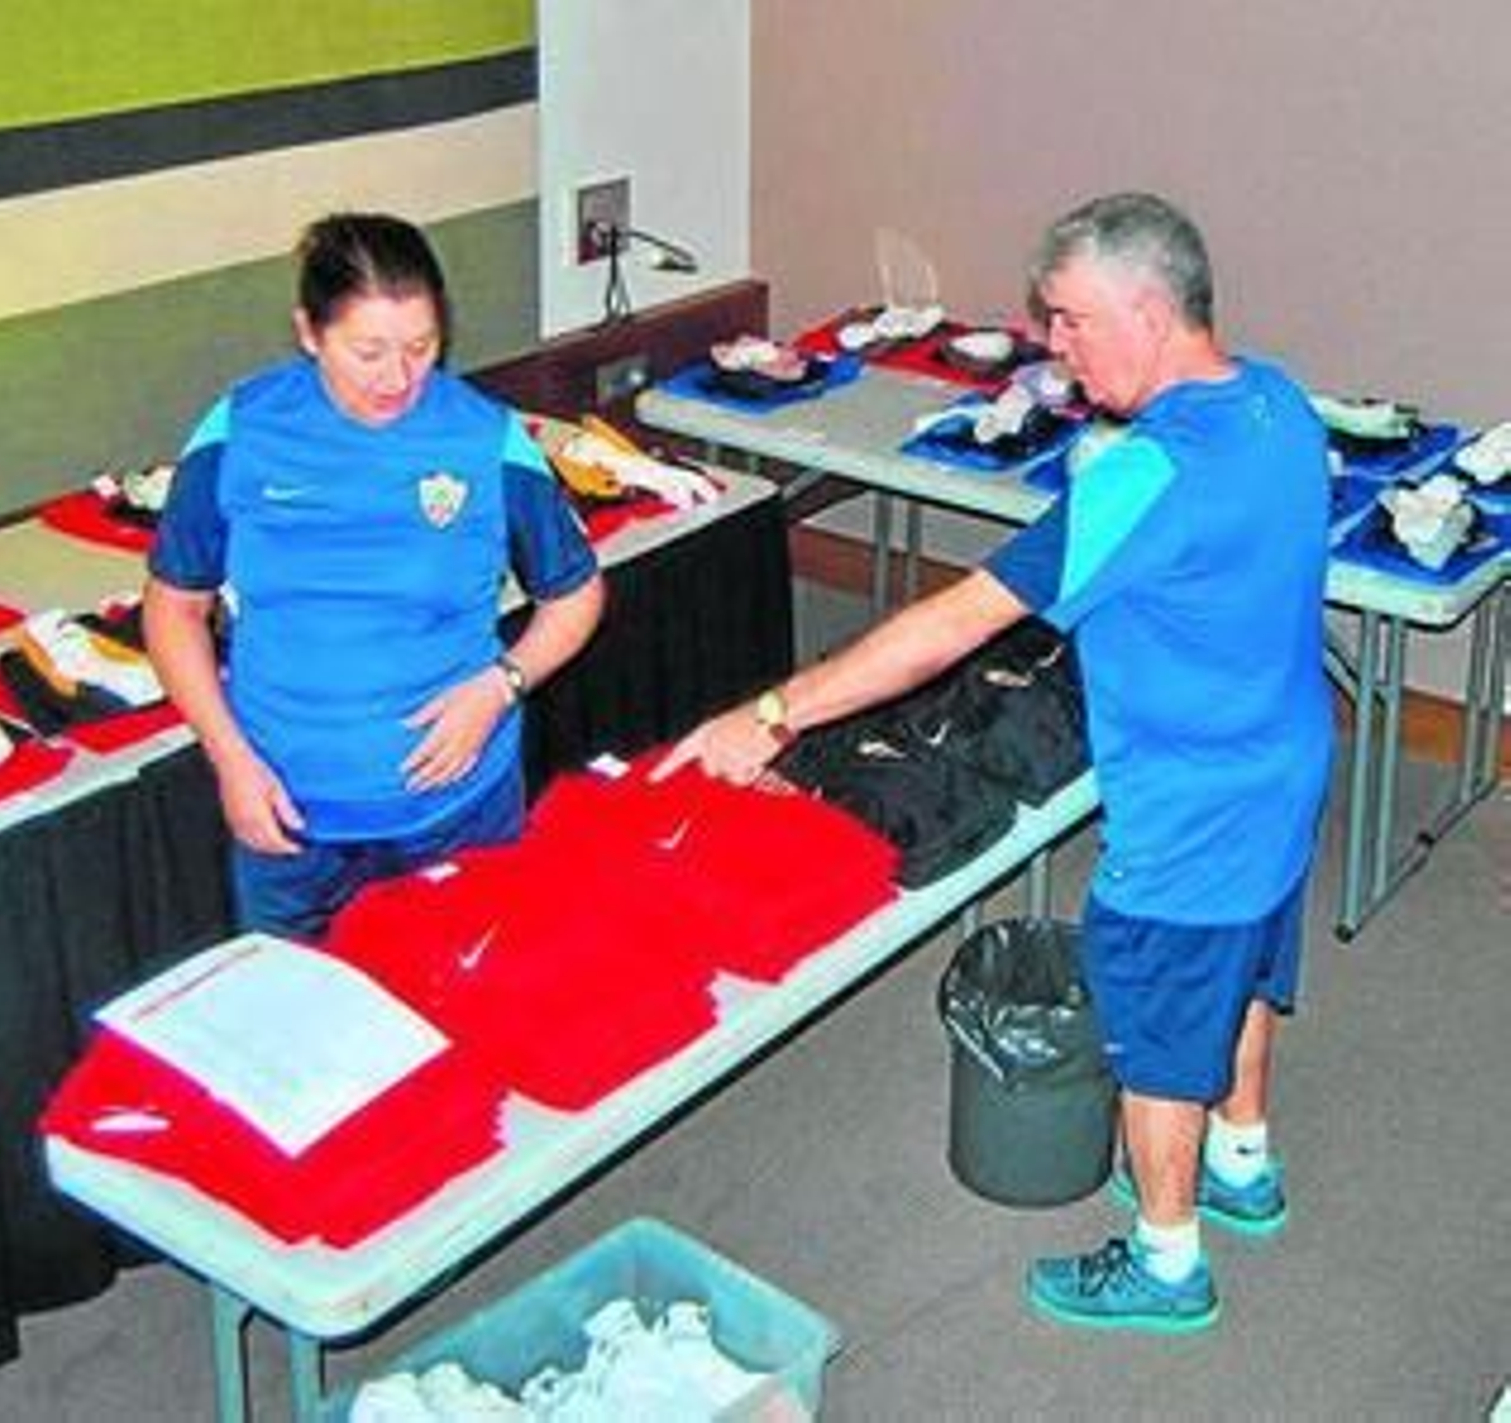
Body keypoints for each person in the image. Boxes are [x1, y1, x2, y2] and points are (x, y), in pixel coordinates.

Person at [656, 191, 1332, 1333]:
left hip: (1188, 809)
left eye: (1070, 320)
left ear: (1149, 311)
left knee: (1160, 1037)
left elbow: (953, 625)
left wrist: (772, 713)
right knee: (1246, 966)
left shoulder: (1146, 476)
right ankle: (1242, 1159)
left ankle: (1168, 1259)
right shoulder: (1277, 402)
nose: (1054, 347)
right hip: (1284, 766)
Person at [145, 212, 604, 942]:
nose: (398, 378)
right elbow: (174, 609)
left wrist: (501, 686)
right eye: (368, 352)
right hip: (287, 817)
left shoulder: (485, 439)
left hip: (457, 813)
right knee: (300, 1009)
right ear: (309, 333)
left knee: (470, 999)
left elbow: (576, 592)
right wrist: (229, 760)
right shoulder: (240, 431)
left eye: (422, 348)